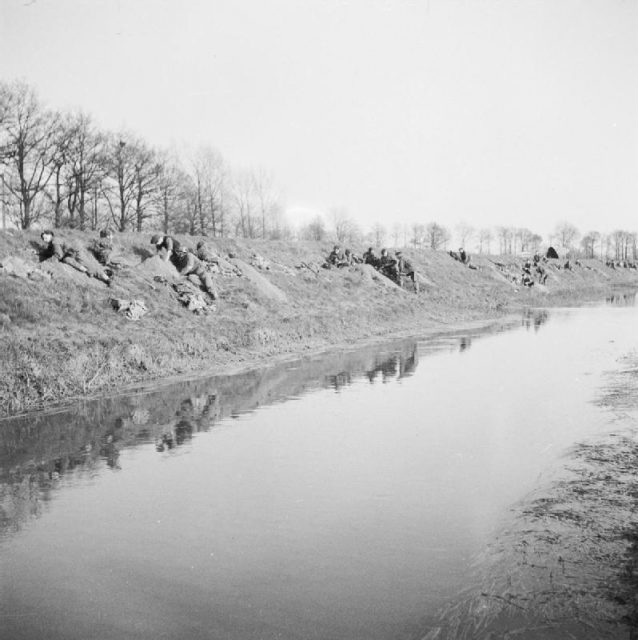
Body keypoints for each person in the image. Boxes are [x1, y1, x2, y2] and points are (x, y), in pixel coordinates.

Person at [40, 230, 111, 285]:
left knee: (90, 266)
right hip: (69, 255)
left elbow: (58, 255)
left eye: (45, 237)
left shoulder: (55, 241)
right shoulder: (51, 244)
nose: (44, 239)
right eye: (43, 238)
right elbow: (49, 252)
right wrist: (38, 253)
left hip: (76, 253)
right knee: (66, 260)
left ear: (50, 235)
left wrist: (47, 262)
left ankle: (107, 279)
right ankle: (85, 270)